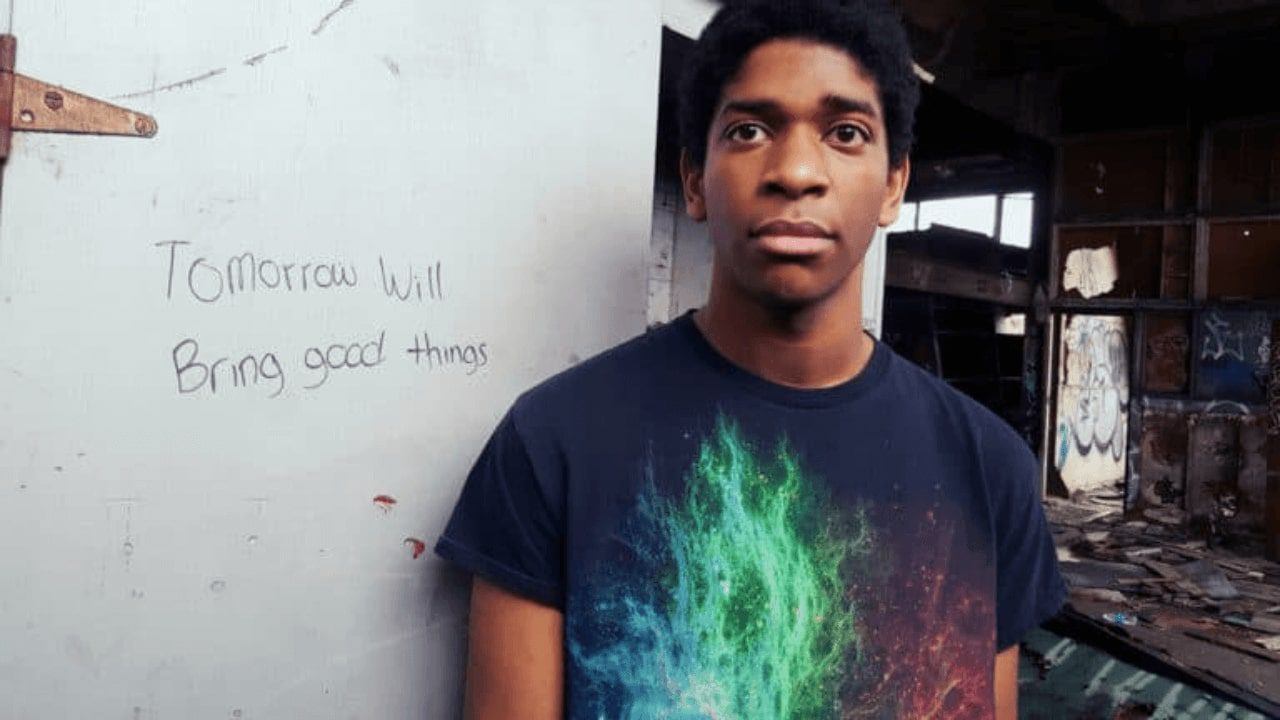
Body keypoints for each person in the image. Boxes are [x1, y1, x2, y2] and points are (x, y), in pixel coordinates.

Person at [435, 0, 1065, 717]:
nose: (796, 170)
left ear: (894, 184)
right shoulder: (552, 444)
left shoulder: (989, 469)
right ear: (696, 180)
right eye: (749, 130)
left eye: (846, 132)